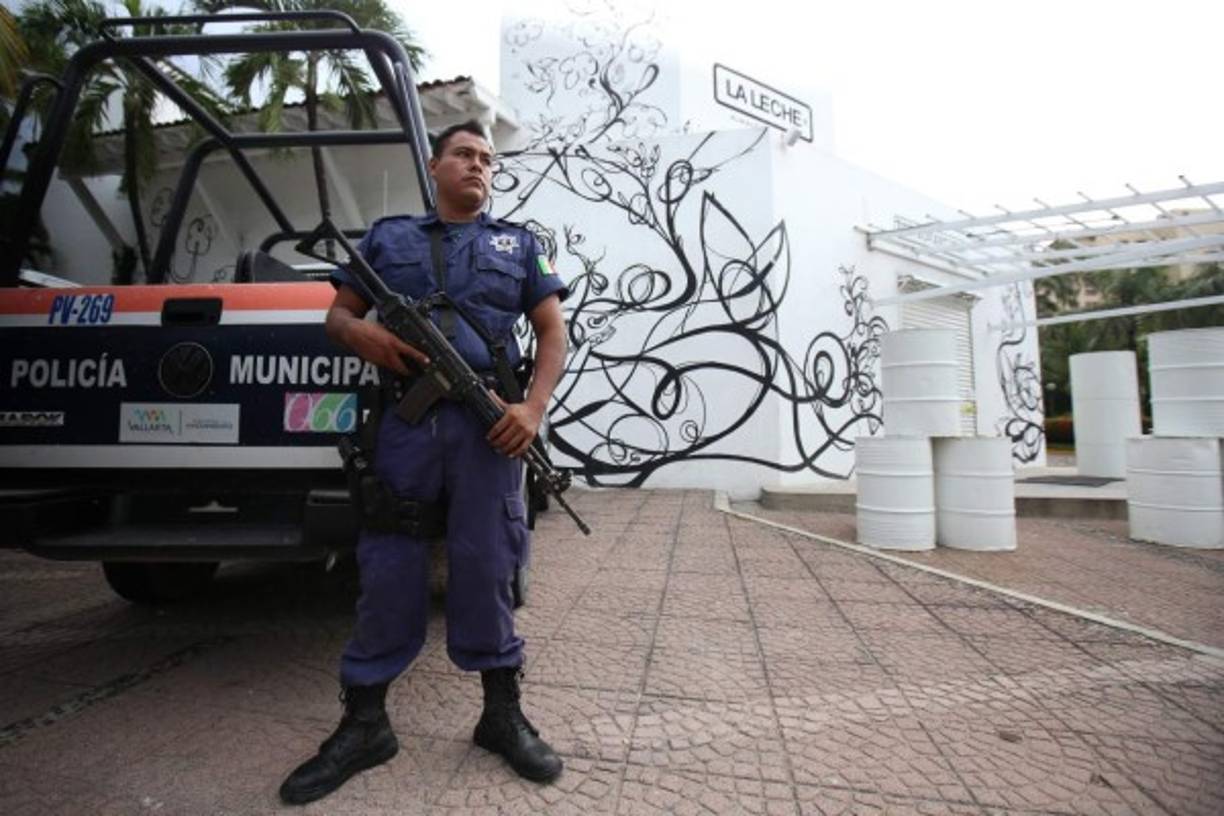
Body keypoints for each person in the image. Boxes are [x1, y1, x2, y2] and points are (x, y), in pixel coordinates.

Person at [279, 120, 570, 805]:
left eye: (489, 161)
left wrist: (531, 412)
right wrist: (361, 333)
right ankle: (365, 723)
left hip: (489, 429)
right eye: (465, 155)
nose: (480, 167)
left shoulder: (519, 244)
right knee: (388, 564)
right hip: (404, 426)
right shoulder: (388, 238)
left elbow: (553, 330)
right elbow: (338, 317)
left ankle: (500, 714)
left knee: (489, 562)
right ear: (435, 167)